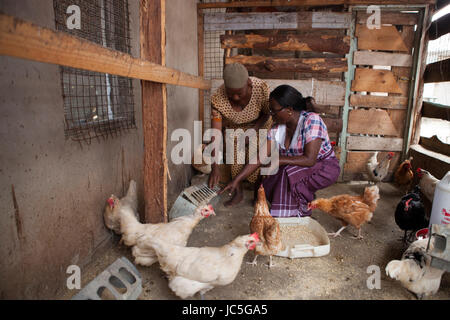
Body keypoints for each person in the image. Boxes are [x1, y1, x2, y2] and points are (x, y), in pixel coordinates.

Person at [220, 84, 340, 217]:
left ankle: (297, 214)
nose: (271, 115)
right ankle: (297, 198)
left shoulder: (311, 121)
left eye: (274, 111)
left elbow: (310, 159)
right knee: (268, 176)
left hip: (324, 167)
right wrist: (237, 179)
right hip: (298, 167)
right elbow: (260, 157)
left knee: (286, 174)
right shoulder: (277, 127)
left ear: (288, 110)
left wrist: (279, 160)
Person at [208, 63, 272, 207]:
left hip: (260, 125)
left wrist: (253, 130)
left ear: (248, 83)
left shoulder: (260, 88)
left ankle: (258, 193)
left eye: (240, 93)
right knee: (235, 157)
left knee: (257, 158)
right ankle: (238, 192)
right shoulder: (218, 98)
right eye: (231, 94)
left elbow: (268, 113)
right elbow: (216, 132)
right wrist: (215, 166)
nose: (236, 98)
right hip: (236, 128)